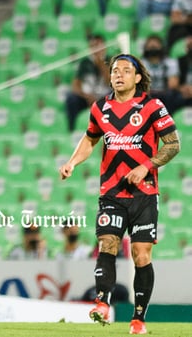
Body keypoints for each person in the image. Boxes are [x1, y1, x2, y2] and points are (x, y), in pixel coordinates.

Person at [59, 53, 180, 335]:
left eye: (126, 70)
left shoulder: (152, 106)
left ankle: (138, 319)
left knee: (141, 255)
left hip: (145, 193)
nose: (119, 74)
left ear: (138, 78)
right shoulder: (100, 107)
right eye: (115, 70)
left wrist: (145, 166)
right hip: (112, 192)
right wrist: (72, 162)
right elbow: (90, 138)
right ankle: (102, 303)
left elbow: (173, 145)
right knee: (108, 243)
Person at [64, 33, 111, 131]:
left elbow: (110, 82)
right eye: (94, 46)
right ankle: (71, 129)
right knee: (71, 99)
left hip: (105, 97)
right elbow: (75, 85)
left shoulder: (111, 60)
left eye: (99, 45)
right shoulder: (84, 63)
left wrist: (100, 64)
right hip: (87, 97)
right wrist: (87, 96)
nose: (97, 49)